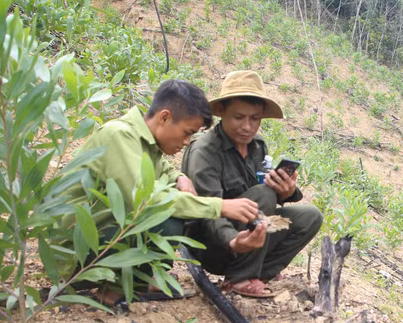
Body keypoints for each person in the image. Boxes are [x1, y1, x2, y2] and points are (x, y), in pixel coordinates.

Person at [61, 79, 258, 294]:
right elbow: (147, 199)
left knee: (172, 213)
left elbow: (164, 168)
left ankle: (139, 279)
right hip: (74, 253)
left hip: (95, 240)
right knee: (167, 220)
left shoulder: (144, 142)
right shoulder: (118, 135)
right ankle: (129, 284)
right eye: (187, 132)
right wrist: (219, 206)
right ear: (165, 117)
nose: (186, 142)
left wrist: (179, 177)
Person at [182, 71, 322, 298]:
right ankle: (240, 277)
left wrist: (285, 193)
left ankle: (260, 272)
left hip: (248, 235)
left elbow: (261, 195)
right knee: (264, 195)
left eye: (254, 119)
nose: (247, 126)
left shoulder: (257, 146)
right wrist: (234, 241)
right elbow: (207, 212)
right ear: (221, 112)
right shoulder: (204, 151)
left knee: (310, 216)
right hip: (211, 244)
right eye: (238, 117)